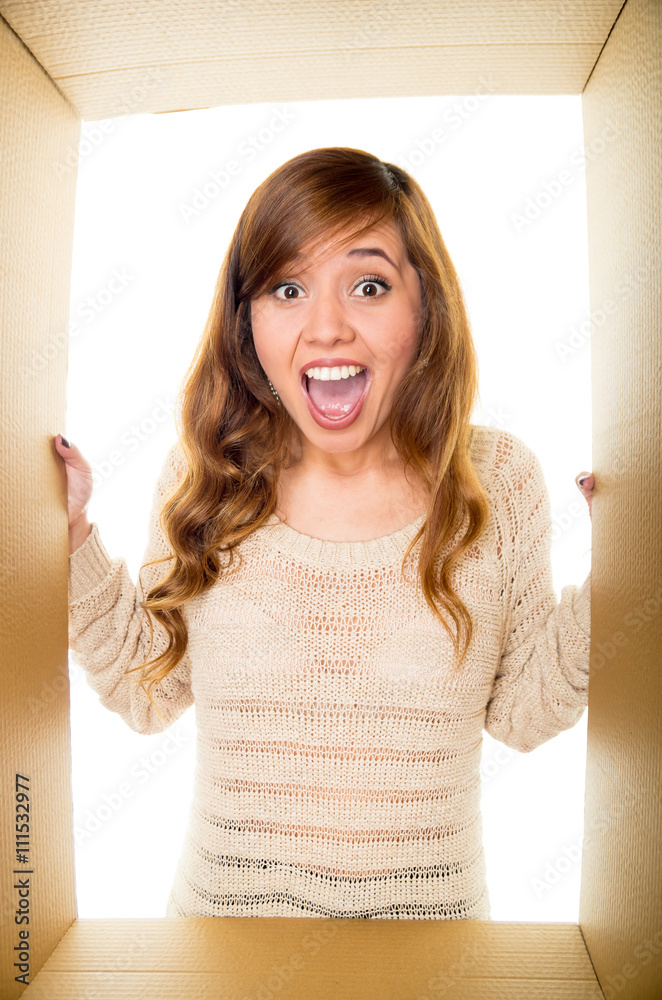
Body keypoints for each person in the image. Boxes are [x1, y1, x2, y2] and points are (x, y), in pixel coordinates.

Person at [58, 146, 595, 921]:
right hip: (223, 955)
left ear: (426, 308)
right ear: (248, 323)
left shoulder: (497, 481)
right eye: (287, 288)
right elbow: (149, 692)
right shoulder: (207, 474)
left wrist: (631, 561)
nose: (328, 327)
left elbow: (523, 714)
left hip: (434, 961)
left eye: (370, 285)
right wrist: (71, 532)